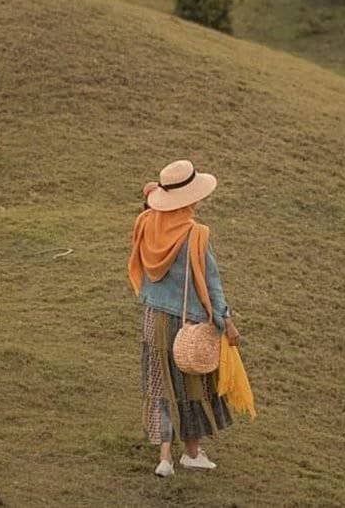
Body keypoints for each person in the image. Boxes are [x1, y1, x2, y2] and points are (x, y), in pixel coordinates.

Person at [127, 159, 242, 477]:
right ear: (190, 199)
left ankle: (165, 458)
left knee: (160, 383)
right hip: (185, 323)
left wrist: (153, 195)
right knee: (191, 385)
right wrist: (226, 321)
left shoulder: (146, 223)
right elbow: (212, 284)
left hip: (153, 318)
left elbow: (148, 206)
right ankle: (191, 453)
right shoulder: (196, 235)